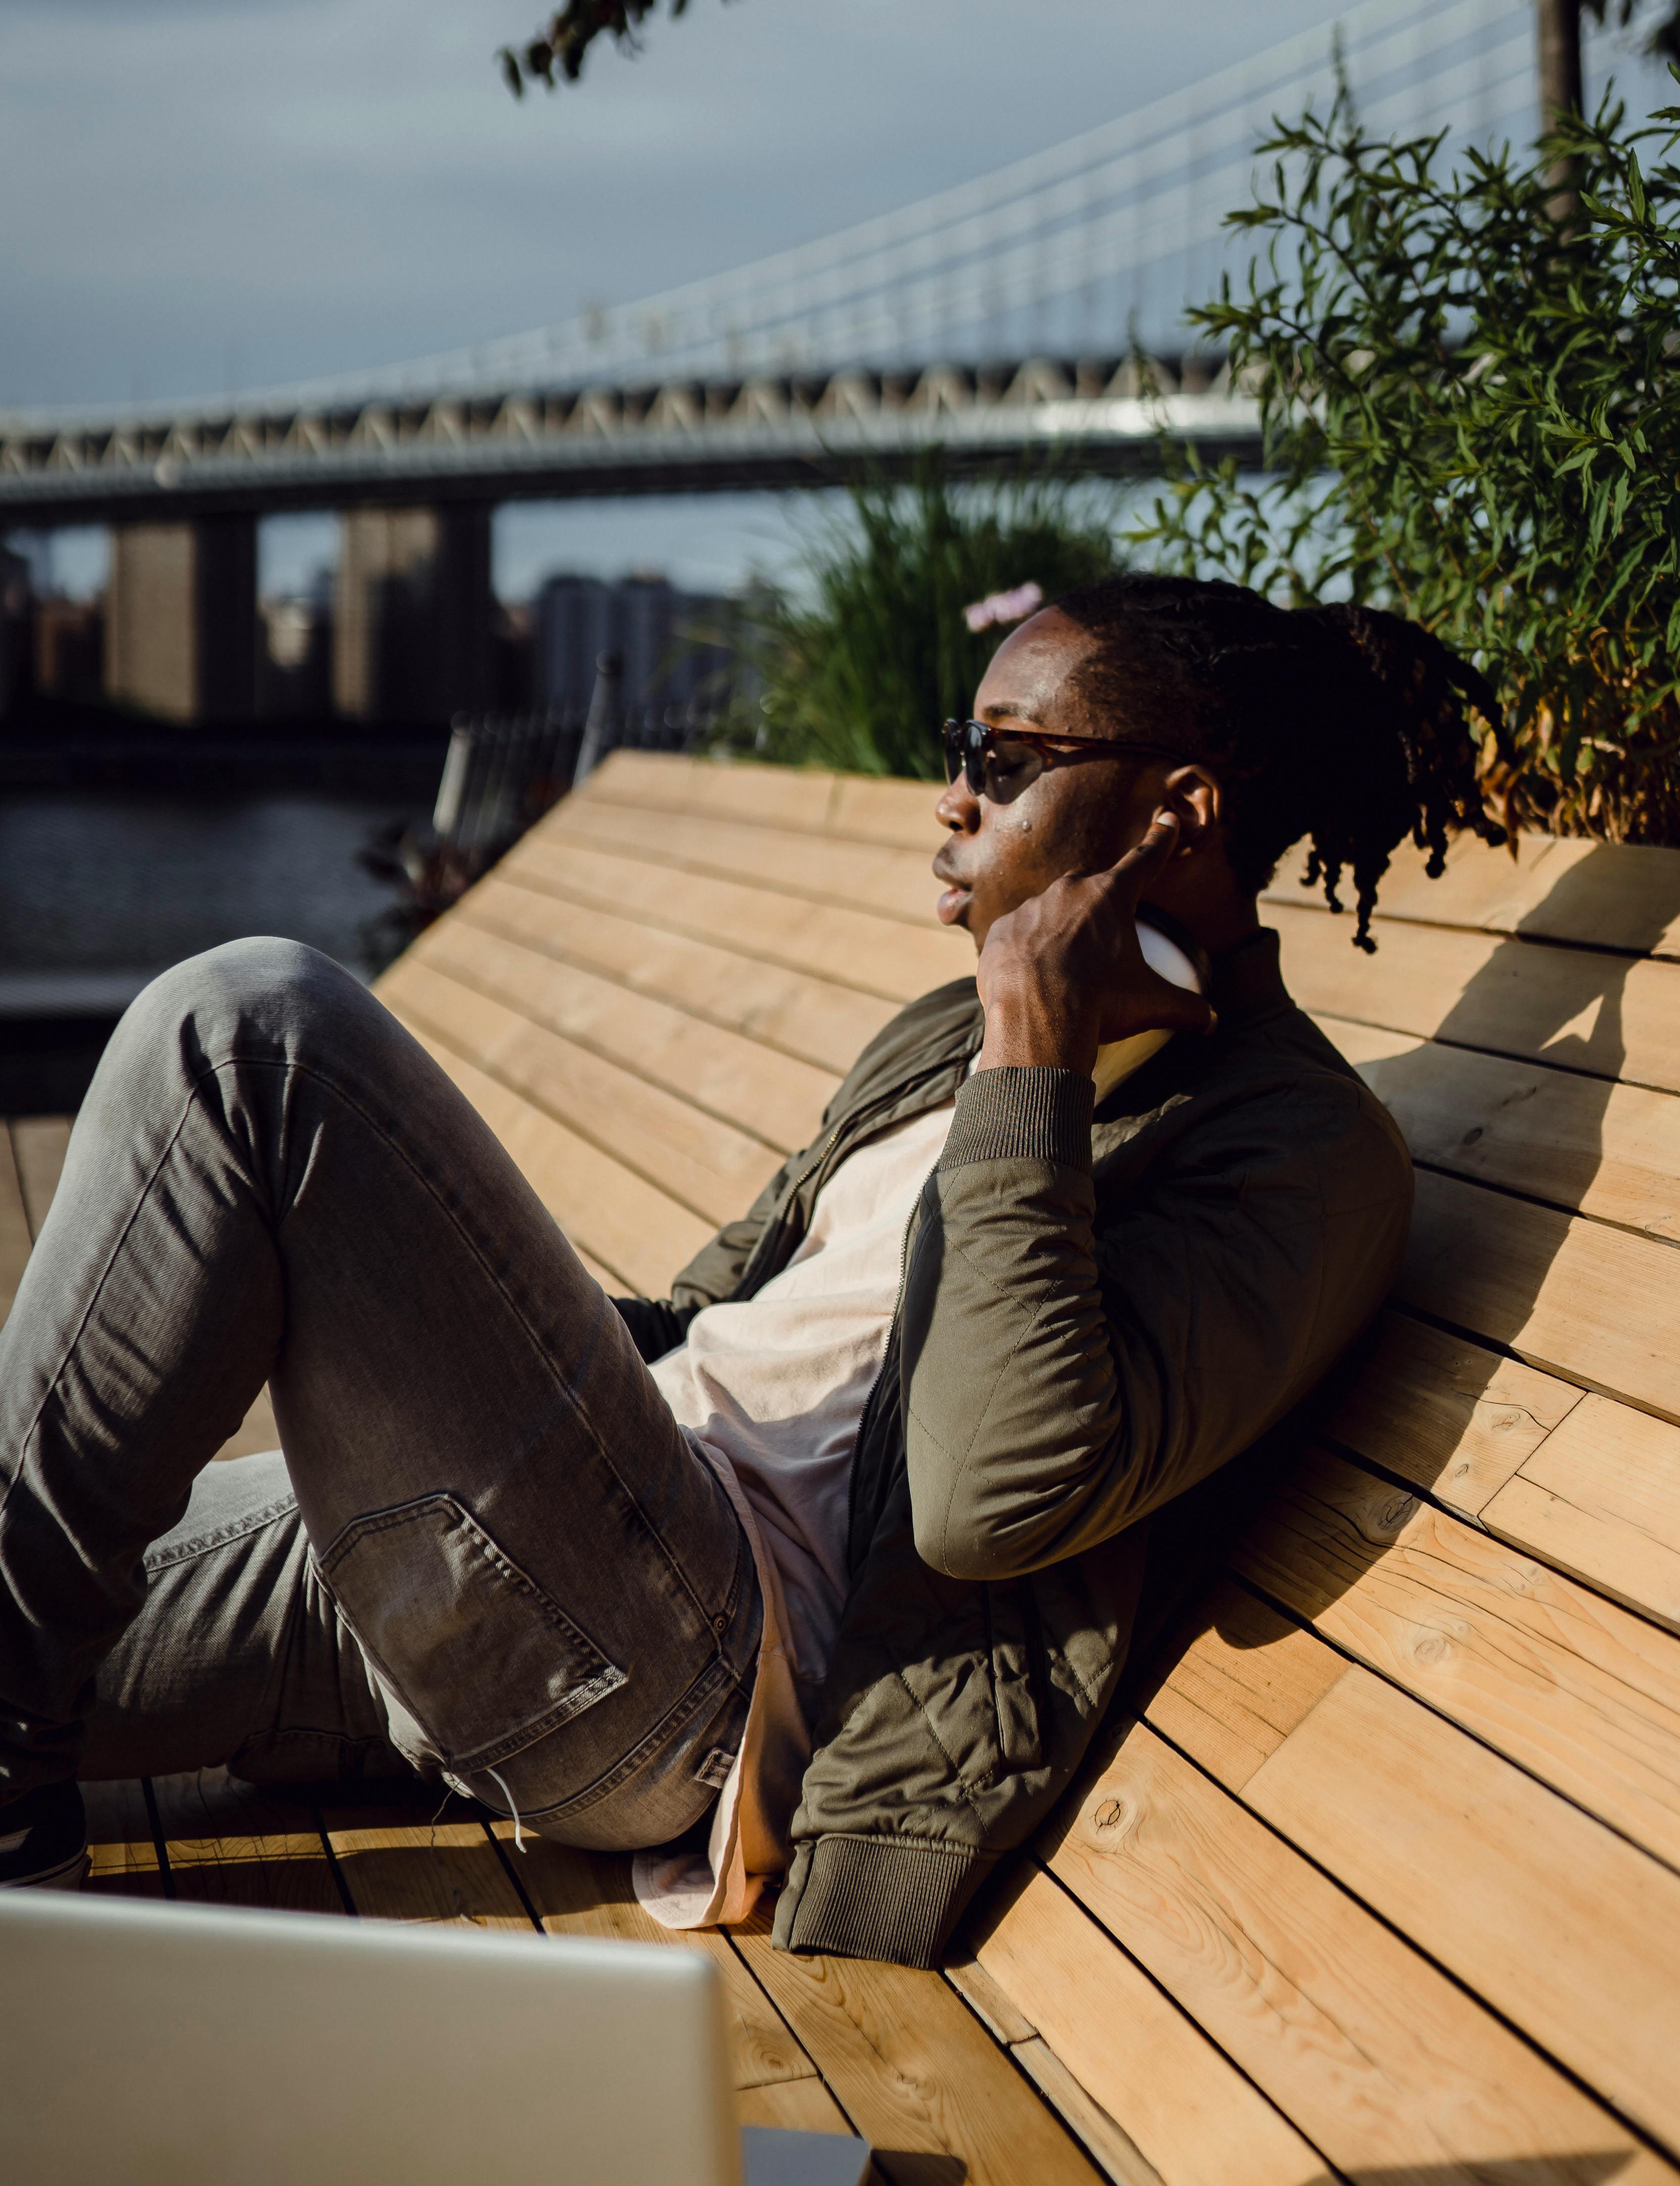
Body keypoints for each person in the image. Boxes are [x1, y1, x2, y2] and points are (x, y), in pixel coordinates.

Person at [0, 574, 1503, 1958]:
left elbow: (994, 1496)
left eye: (1002, 757)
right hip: (550, 1555)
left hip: (690, 1671)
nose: (951, 797)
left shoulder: (1298, 1153)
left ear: (1178, 814)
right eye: (956, 746)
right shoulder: (938, 1038)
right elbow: (701, 1320)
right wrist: (400, 1318)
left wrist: (1034, 1053)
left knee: (250, 1033)